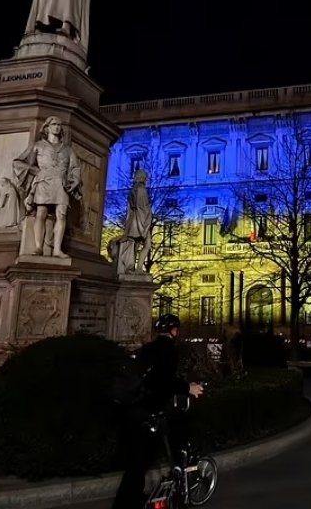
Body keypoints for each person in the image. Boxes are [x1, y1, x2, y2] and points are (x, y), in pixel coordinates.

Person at [111, 314, 204, 509]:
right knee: (175, 431)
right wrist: (188, 388)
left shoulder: (149, 348)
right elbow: (163, 382)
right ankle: (178, 473)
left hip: (131, 408)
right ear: (175, 331)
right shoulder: (168, 350)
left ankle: (129, 499)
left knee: (138, 460)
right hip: (148, 410)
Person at [12, 116, 82, 258]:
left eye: (59, 125)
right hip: (43, 181)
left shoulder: (68, 150)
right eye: (54, 124)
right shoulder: (38, 145)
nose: (57, 127)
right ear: (47, 127)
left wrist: (75, 180)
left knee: (61, 214)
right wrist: (35, 171)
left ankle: (57, 249)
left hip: (61, 183)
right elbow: (19, 162)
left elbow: (75, 168)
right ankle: (39, 247)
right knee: (41, 212)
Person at [124, 168, 152, 272]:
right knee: (147, 245)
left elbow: (133, 206)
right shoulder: (141, 189)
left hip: (134, 222)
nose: (146, 179)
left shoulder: (133, 189)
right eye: (145, 177)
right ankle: (139, 268)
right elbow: (142, 207)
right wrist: (148, 216)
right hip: (141, 221)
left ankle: (131, 267)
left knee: (134, 245)